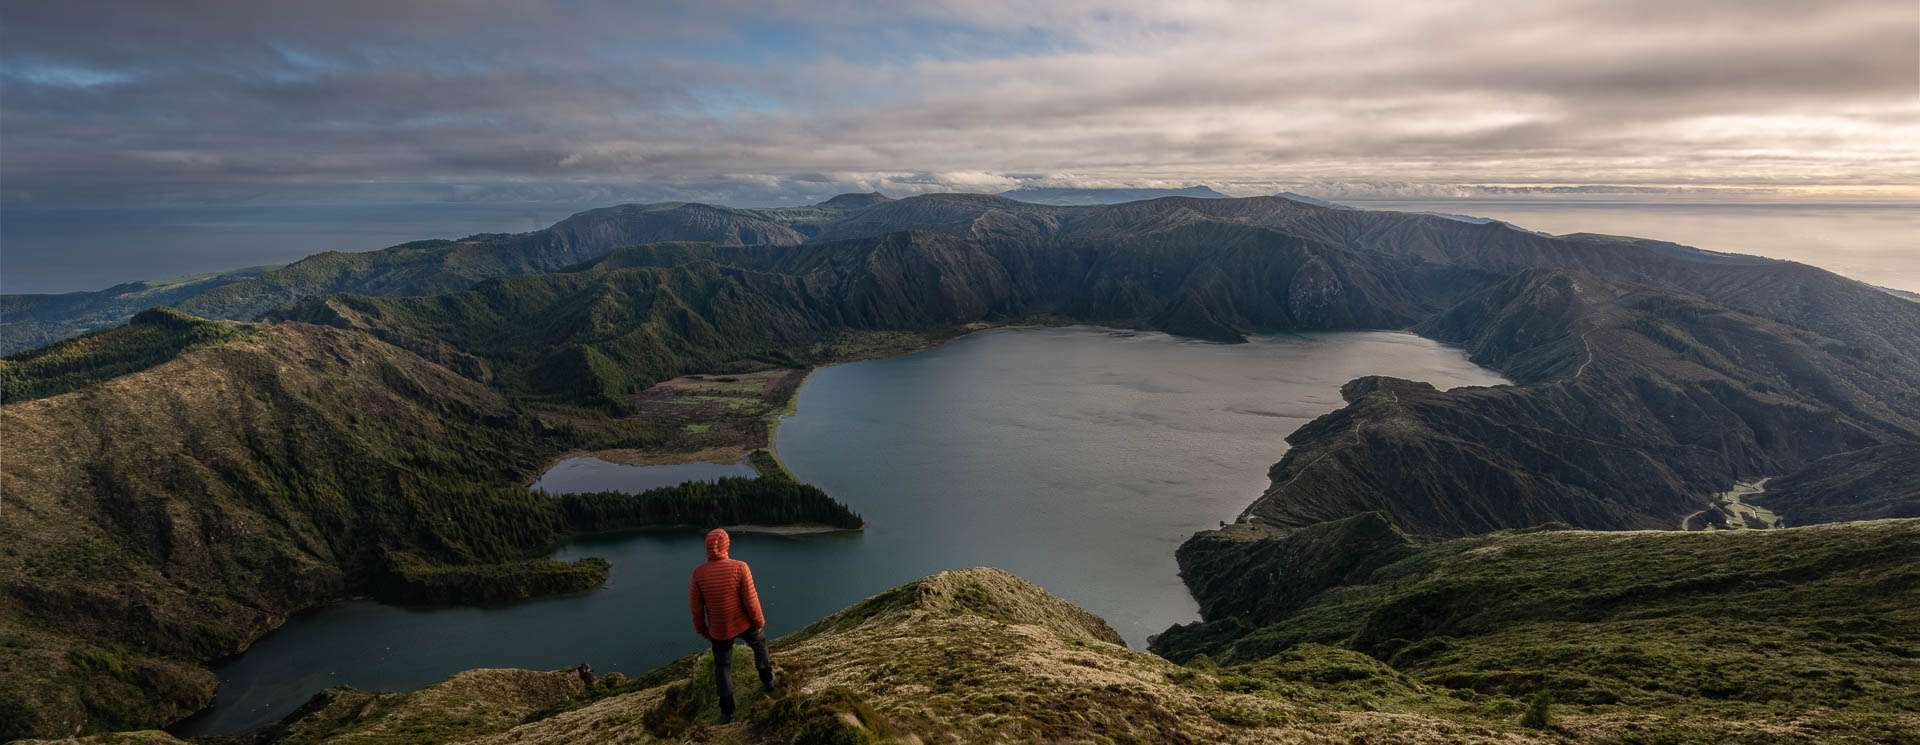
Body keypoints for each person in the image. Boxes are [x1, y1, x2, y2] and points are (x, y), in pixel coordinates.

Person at [688, 528, 773, 723]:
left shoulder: (698, 573)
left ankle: (727, 710)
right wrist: (759, 622)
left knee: (722, 666)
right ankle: (767, 679)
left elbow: (696, 608)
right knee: (759, 642)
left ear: (707, 548)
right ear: (727, 545)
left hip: (719, 629)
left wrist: (702, 629)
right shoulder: (740, 567)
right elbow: (751, 602)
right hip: (743, 623)